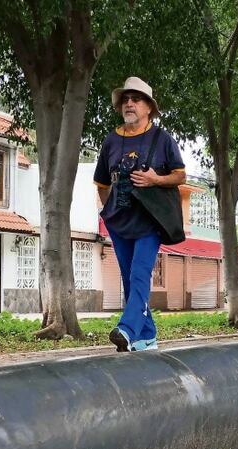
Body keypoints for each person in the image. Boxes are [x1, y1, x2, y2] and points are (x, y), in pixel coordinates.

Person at [94, 77, 186, 352]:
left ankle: (128, 329)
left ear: (149, 107)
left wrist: (155, 179)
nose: (129, 103)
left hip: (149, 221)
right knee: (127, 276)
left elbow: (180, 175)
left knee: (139, 275)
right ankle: (148, 336)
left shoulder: (162, 139)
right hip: (119, 222)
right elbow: (102, 183)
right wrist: (109, 210)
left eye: (136, 99)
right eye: (126, 99)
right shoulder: (111, 141)